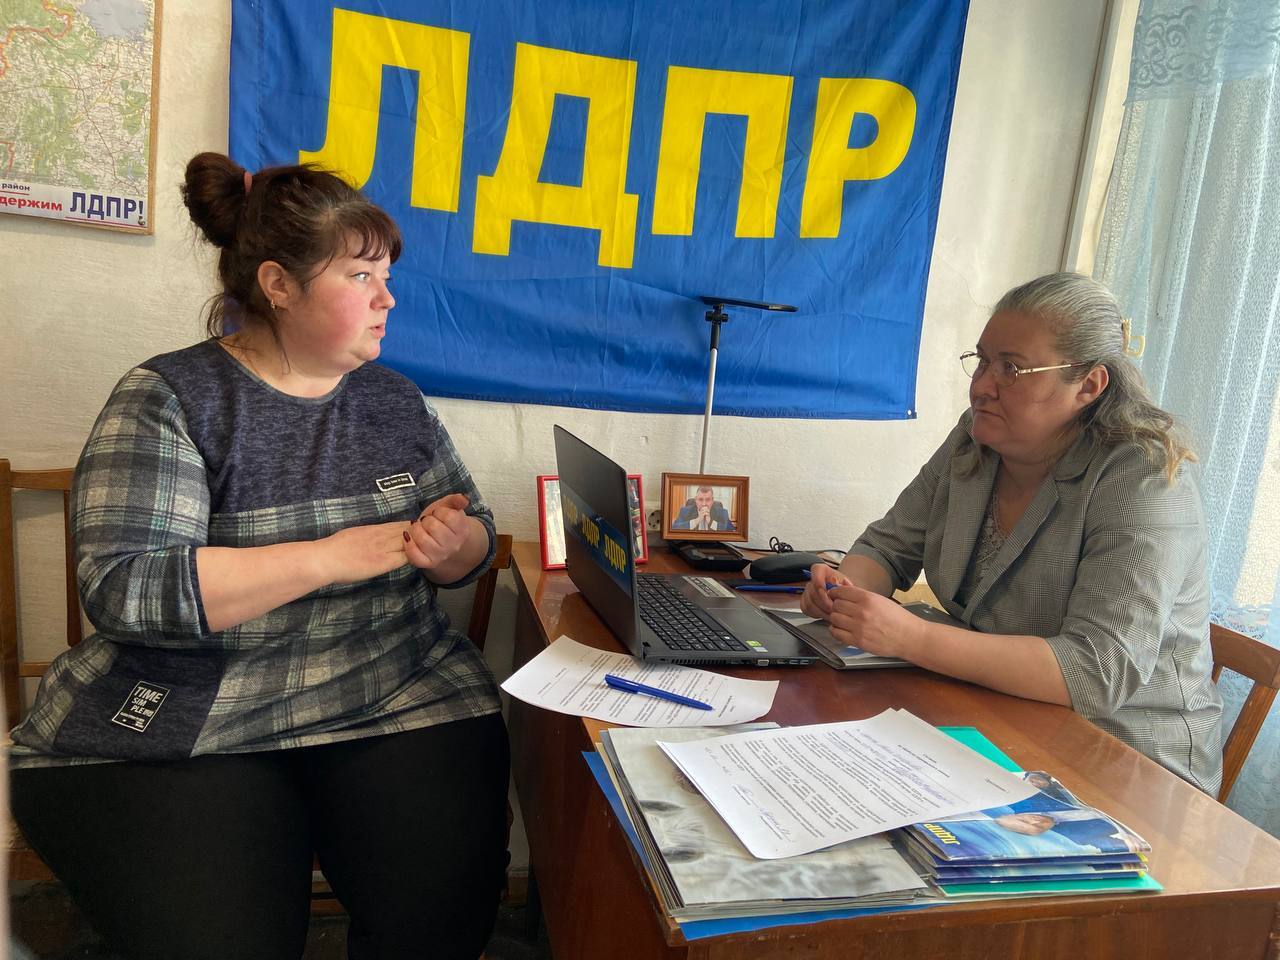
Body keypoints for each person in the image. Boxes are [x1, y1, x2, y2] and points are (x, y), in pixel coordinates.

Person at [8, 153, 509, 960]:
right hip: (197, 704)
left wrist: (457, 547)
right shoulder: (171, 396)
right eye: (361, 276)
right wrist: (325, 558)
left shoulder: (394, 400)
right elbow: (127, 588)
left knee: (437, 924)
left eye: (386, 277)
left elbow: (473, 530)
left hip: (390, 688)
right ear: (278, 284)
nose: (387, 299)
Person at [801, 272, 1222, 795]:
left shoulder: (1143, 476)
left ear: (1088, 386)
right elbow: (888, 546)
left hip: (1127, 762)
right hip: (995, 712)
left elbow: (1096, 671)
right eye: (981, 361)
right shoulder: (975, 437)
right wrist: (845, 591)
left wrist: (912, 637)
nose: (982, 386)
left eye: (1012, 369)